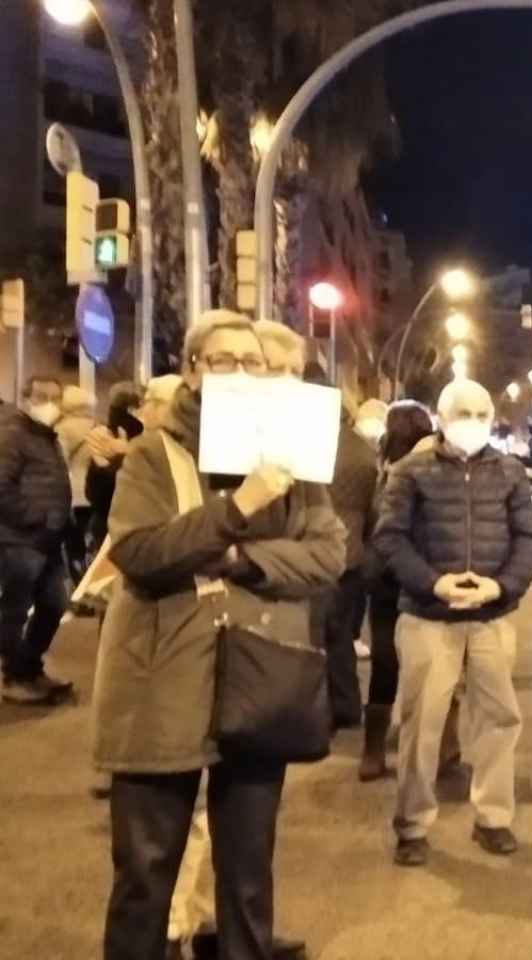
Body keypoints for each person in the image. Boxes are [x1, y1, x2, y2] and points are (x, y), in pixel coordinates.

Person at [95, 310, 345, 959]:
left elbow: (328, 555)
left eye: (252, 361)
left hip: (259, 685)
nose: (239, 371)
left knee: (248, 880)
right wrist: (238, 509)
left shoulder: (296, 460)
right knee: (145, 878)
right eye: (223, 359)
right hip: (162, 688)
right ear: (194, 371)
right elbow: (139, 552)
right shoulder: (155, 452)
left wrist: (238, 559)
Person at [373, 378, 532, 865]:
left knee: (499, 718)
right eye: (463, 413)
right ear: (442, 419)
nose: (473, 422)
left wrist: (502, 587)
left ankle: (494, 817)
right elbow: (391, 539)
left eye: (481, 413)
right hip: (429, 617)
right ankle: (412, 825)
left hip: (491, 617)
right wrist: (433, 584)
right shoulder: (411, 471)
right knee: (422, 723)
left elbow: (527, 540)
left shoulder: (509, 471)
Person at [255, 321, 379, 732]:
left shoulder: (305, 444)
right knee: (338, 637)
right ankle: (344, 707)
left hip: (315, 557)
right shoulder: (361, 449)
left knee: (314, 637)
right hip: (350, 556)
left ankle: (318, 710)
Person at [358, 400, 438, 783]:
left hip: (387, 576)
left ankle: (373, 750)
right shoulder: (436, 467)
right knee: (434, 661)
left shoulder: (383, 469)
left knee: (386, 661)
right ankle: (436, 744)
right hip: (428, 577)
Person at [0, 375, 73, 703]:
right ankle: (14, 675)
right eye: (41, 395)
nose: (48, 403)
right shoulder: (12, 433)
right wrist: (37, 518)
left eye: (55, 397)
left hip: (48, 539)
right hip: (20, 539)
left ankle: (29, 667)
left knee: (54, 604)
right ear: (25, 396)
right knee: (16, 609)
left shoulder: (47, 436)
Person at [84, 380, 147, 557]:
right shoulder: (128, 440)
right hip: (121, 533)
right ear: (134, 409)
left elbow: (93, 494)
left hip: (105, 528)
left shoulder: (105, 435)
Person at [56, 385, 99, 581]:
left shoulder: (62, 429)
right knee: (91, 541)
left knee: (74, 545)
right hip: (94, 494)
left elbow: (59, 461)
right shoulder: (99, 427)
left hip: (72, 495)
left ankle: (78, 581)